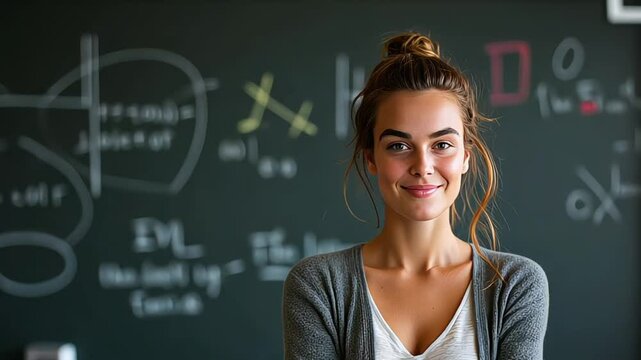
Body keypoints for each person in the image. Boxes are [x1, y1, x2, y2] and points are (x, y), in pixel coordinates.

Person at [282, 31, 549, 360]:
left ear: (466, 156)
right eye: (399, 146)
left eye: (442, 145)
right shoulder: (319, 285)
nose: (422, 166)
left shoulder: (514, 285)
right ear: (371, 158)